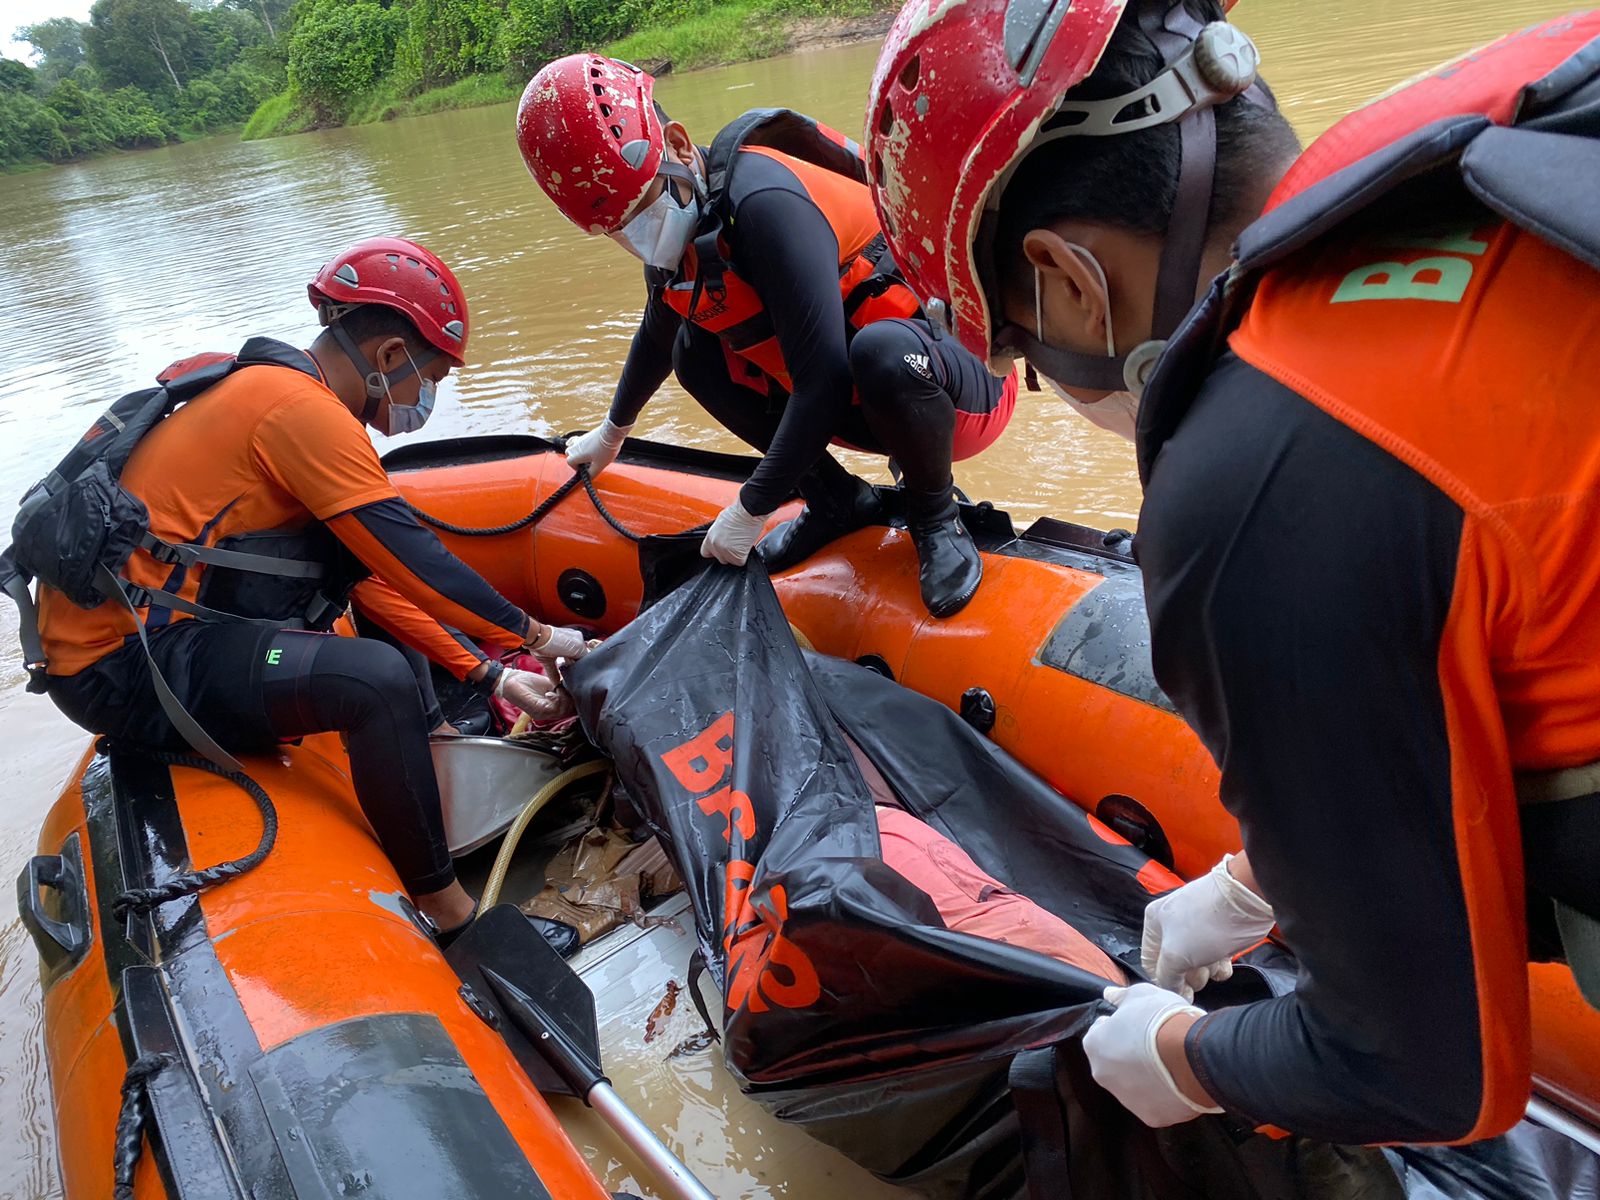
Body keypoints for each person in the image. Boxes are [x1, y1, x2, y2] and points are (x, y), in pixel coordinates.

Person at [868, 0, 1600, 1147]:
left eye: (1015, 343)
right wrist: (1263, 881)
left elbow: (1425, 1077)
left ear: (1064, 278)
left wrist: (1175, 1054)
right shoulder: (1494, 136)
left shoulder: (1246, 484)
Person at [35, 237, 588, 940]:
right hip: (125, 666)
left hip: (157, 640)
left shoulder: (286, 395)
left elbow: (371, 580)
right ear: (390, 357)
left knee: (373, 638)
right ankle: (450, 911)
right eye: (432, 377)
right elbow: (414, 560)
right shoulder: (301, 412)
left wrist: (487, 674)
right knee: (374, 679)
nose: (429, 399)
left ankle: (442, 761)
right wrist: (538, 638)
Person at [515, 54, 1019, 617]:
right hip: (859, 399)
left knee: (882, 353)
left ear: (680, 147)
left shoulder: (762, 201)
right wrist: (612, 433)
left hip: (952, 387)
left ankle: (935, 518)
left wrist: (751, 507)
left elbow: (824, 380)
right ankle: (836, 502)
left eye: (642, 210)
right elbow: (659, 331)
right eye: (618, 229)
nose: (639, 236)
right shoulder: (680, 239)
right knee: (693, 352)